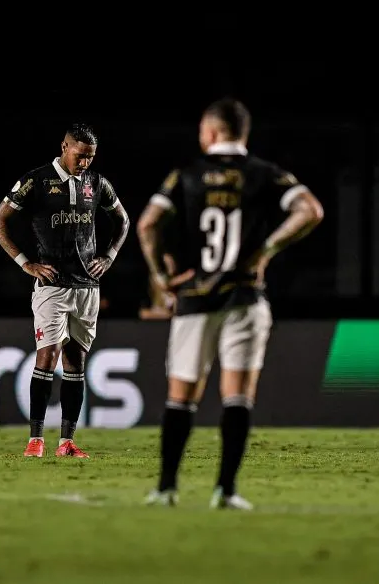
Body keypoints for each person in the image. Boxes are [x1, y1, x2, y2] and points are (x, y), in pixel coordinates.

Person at [137, 98, 323, 509]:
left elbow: (148, 223)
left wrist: (162, 278)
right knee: (236, 396)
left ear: (212, 131)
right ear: (243, 133)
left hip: (195, 298)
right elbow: (310, 210)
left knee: (181, 396)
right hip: (244, 296)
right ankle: (226, 490)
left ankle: (167, 488)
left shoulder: (187, 174)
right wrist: (266, 251)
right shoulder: (264, 173)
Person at [0, 124, 130, 458]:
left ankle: (66, 442)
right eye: (80, 156)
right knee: (47, 356)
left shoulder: (97, 184)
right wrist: (26, 263)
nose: (85, 163)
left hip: (87, 287)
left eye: (90, 158)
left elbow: (123, 221)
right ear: (64, 146)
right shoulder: (36, 181)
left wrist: (108, 257)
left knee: (76, 362)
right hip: (52, 286)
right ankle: (35, 440)